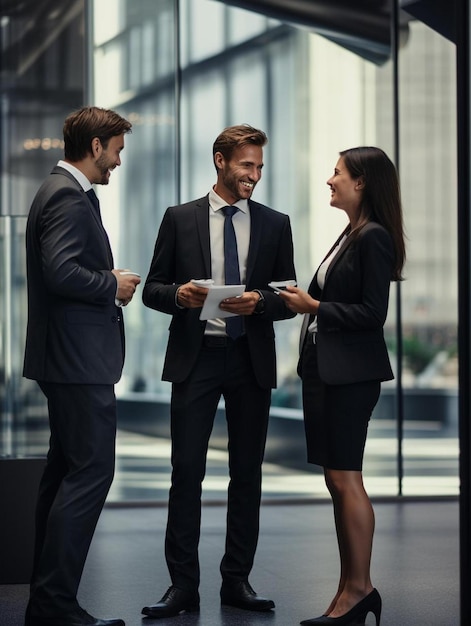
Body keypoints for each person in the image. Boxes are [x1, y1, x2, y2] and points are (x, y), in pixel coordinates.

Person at [141, 124, 296, 618]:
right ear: (220, 161)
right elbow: (152, 289)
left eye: (259, 168)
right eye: (247, 165)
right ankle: (182, 586)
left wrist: (262, 301)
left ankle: (237, 582)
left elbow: (288, 299)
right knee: (186, 472)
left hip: (250, 360)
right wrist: (181, 296)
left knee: (246, 474)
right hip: (197, 358)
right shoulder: (179, 218)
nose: (254, 175)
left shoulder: (275, 223)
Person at [23, 106, 141, 626]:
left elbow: (63, 268)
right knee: (92, 471)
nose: (118, 161)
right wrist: (110, 285)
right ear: (95, 146)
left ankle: (46, 601)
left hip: (65, 357)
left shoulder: (57, 191)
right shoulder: (68, 196)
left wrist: (101, 276)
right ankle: (54, 604)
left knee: (65, 472)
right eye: (116, 150)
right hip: (78, 361)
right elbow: (62, 272)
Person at [278, 147, 405, 626]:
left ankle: (359, 589)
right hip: (328, 371)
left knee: (347, 478)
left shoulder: (373, 238)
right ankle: (348, 589)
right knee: (336, 480)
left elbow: (374, 315)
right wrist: (305, 305)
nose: (330, 181)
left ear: (363, 182)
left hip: (351, 375)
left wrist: (314, 307)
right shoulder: (351, 234)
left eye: (338, 173)